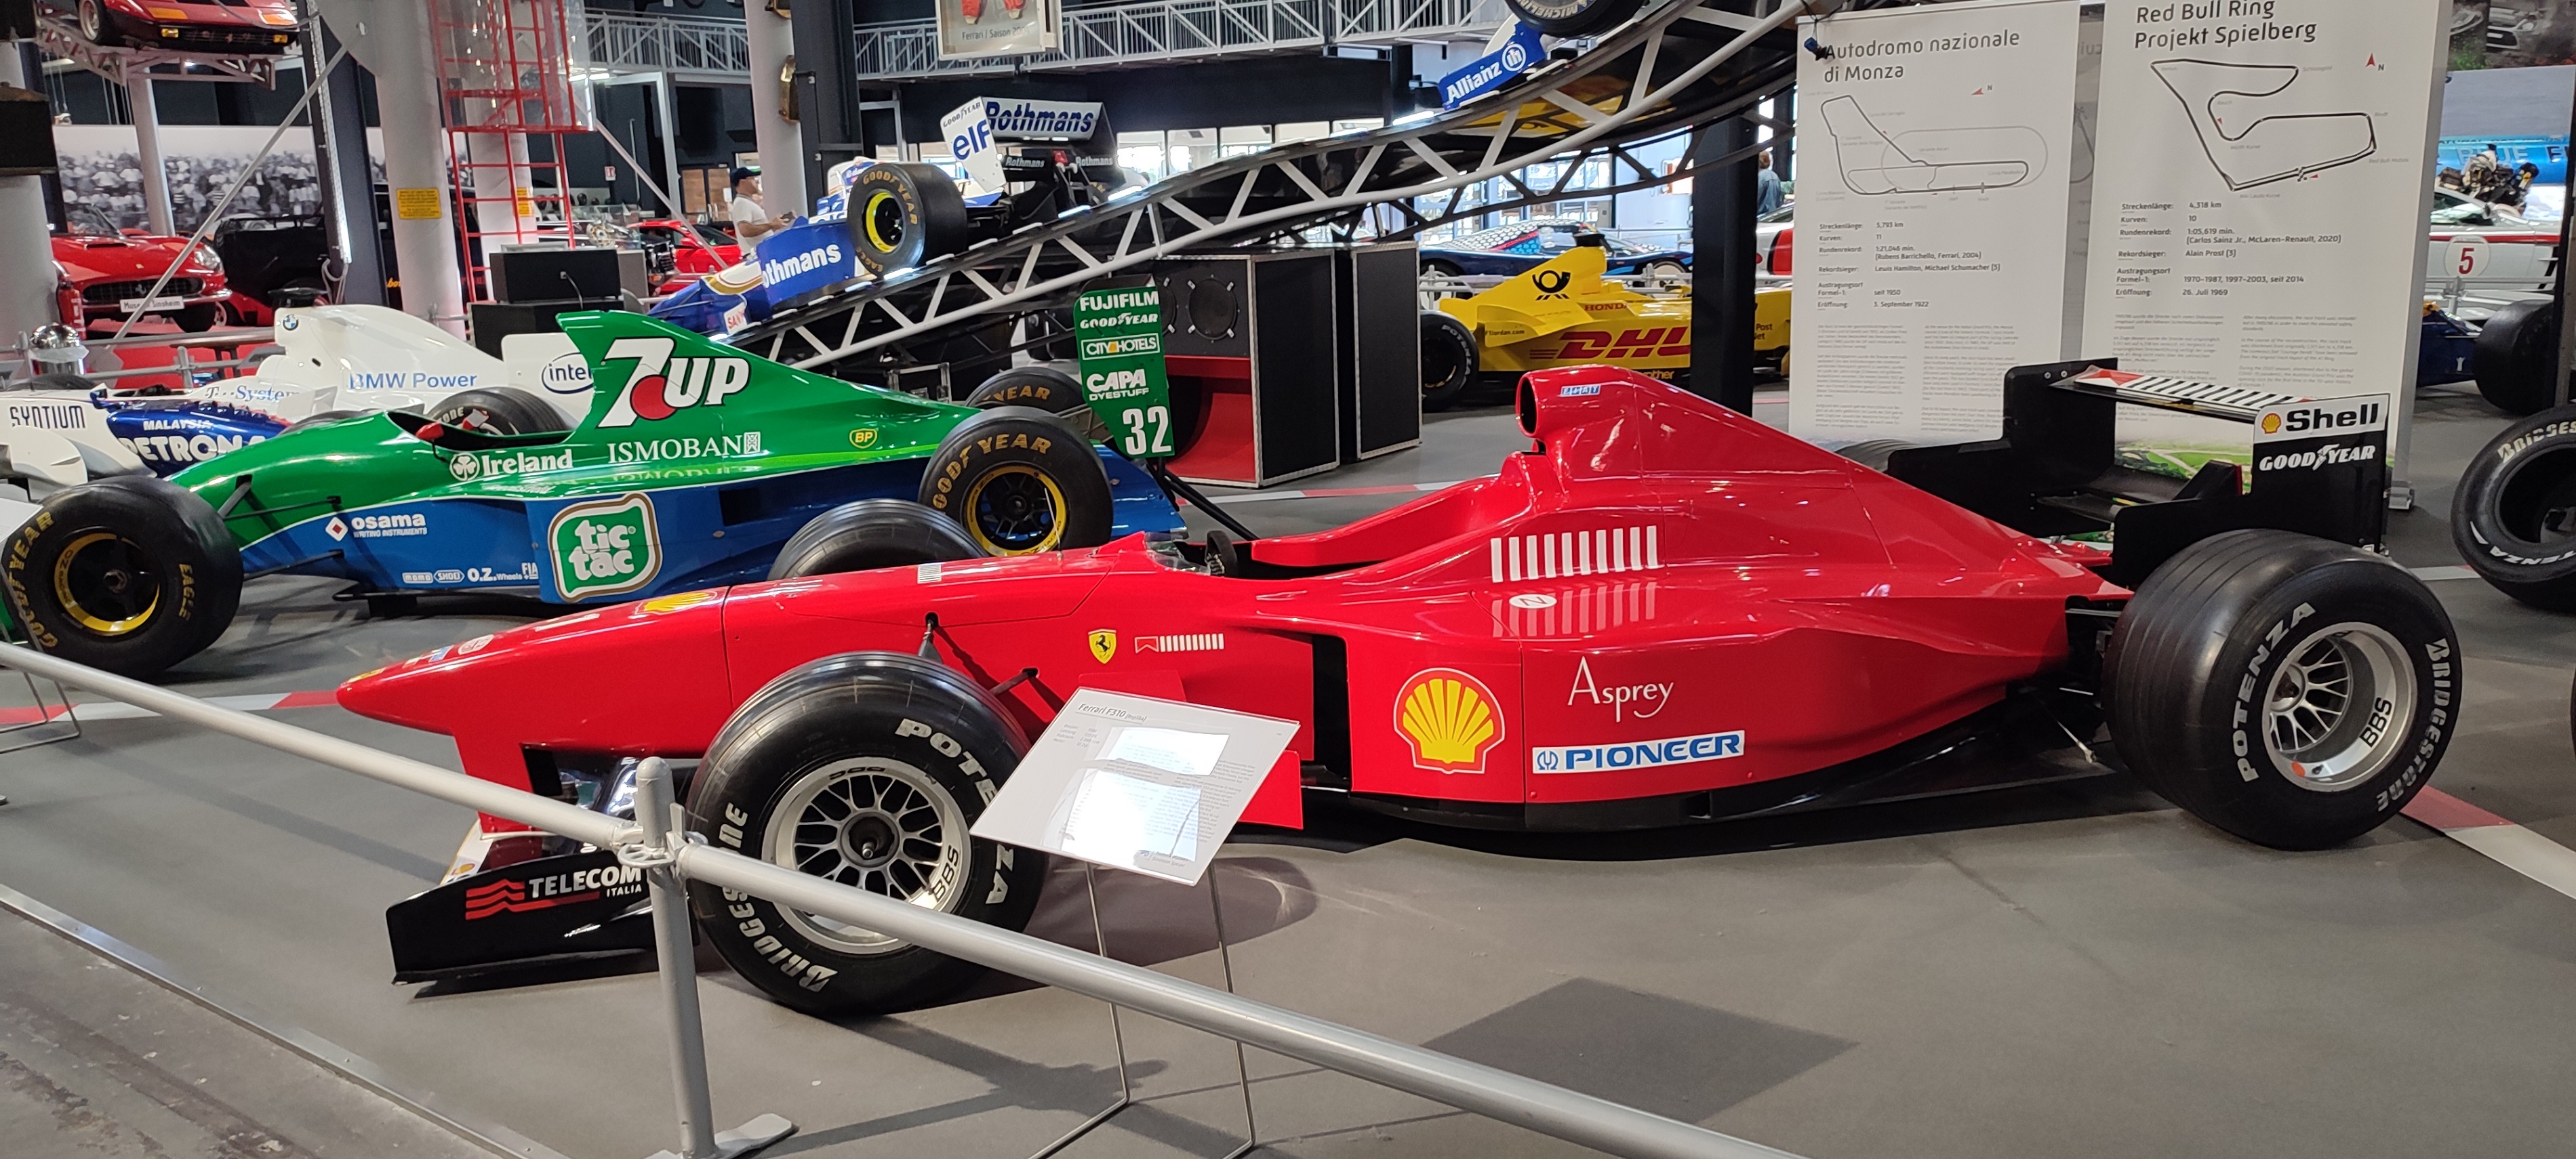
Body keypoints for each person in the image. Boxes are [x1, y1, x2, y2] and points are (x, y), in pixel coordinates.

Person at [726, 166, 794, 256]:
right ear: (743, 182)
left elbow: (755, 231)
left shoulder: (746, 202)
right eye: (753, 179)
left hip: (761, 254)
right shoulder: (741, 203)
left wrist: (774, 226)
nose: (757, 182)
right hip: (756, 256)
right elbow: (745, 230)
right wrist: (770, 225)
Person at [1755, 150, 1784, 216]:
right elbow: (1779, 199)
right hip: (1773, 215)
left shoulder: (1760, 177)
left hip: (1760, 216)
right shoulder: (1774, 176)